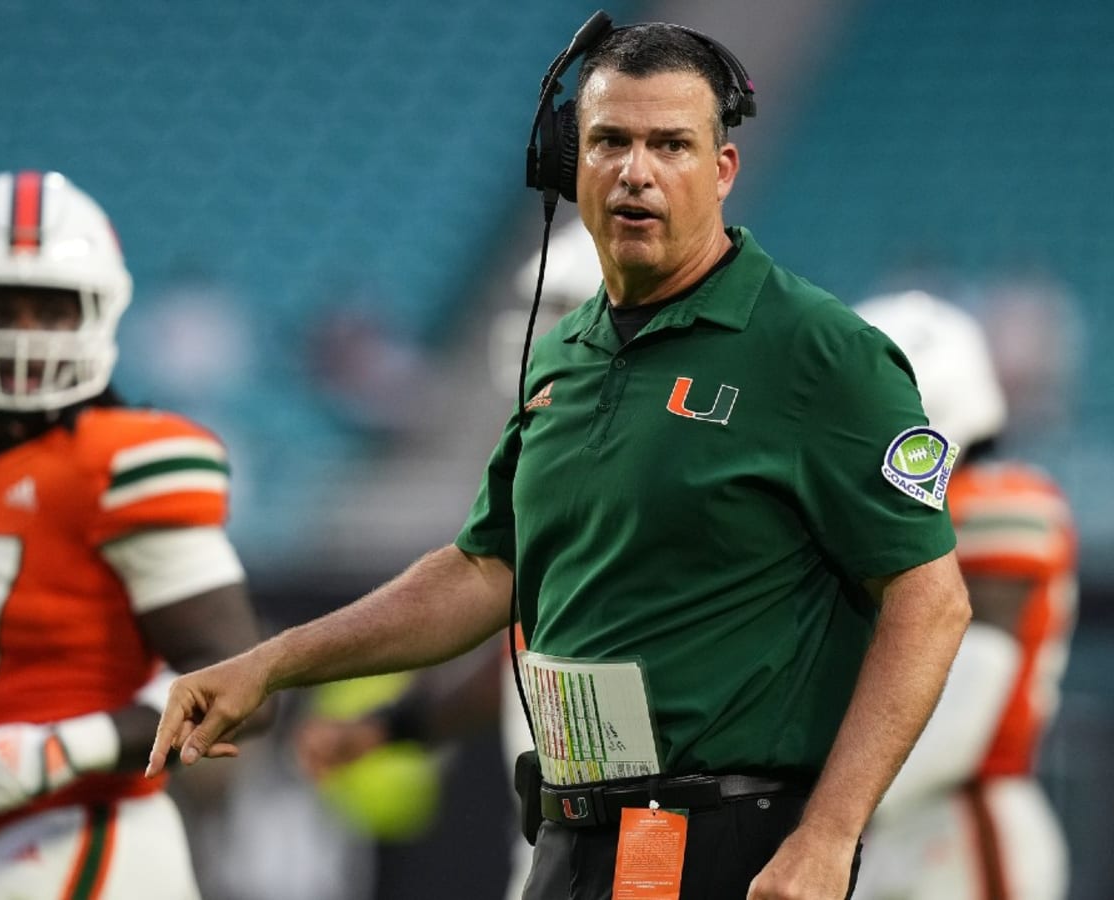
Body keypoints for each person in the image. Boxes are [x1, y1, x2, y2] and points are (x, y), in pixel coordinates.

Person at [149, 18, 972, 900]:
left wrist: (829, 836)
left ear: (723, 170)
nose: (637, 170)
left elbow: (930, 600)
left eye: (672, 145)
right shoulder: (562, 356)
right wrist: (268, 663)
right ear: (567, 163)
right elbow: (483, 571)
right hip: (571, 834)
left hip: (729, 844)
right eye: (610, 141)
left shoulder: (819, 353)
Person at [0, 170, 269, 899]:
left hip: (92, 839)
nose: (23, 335)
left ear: (97, 314)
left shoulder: (122, 462)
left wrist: (63, 749)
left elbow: (253, 688)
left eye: (49, 310)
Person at [850, 291, 1077, 900]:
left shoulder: (998, 505)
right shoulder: (897, 516)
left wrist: (834, 809)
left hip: (956, 819)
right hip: (890, 818)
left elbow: (965, 704)